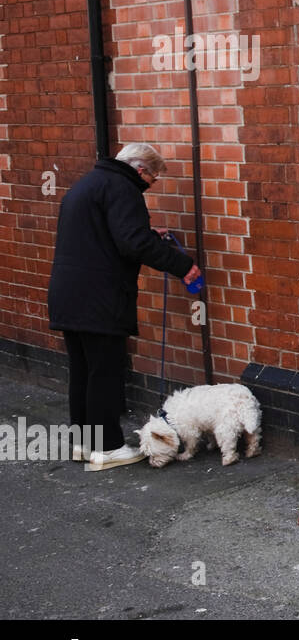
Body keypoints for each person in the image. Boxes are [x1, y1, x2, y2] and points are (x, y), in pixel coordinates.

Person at [47, 143, 201, 470]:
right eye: (153, 178)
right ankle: (108, 448)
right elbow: (134, 243)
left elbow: (106, 234)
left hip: (69, 293)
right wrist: (182, 265)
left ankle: (83, 444)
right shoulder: (123, 188)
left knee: (83, 371)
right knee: (105, 373)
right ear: (140, 170)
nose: (150, 185)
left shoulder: (85, 185)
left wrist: (145, 232)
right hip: (99, 297)